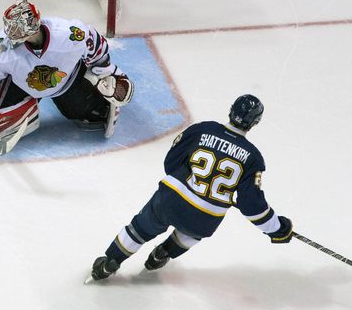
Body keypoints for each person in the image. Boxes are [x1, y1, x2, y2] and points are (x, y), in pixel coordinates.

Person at [88, 94, 292, 281]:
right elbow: (252, 205)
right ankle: (164, 253)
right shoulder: (253, 158)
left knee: (141, 229)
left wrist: (185, 180)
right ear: (255, 122)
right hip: (206, 218)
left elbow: (171, 163)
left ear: (231, 110)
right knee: (194, 230)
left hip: (170, 200)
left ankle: (109, 263)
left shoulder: (202, 129)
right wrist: (276, 229)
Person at [0, 0, 134, 159]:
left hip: (67, 81)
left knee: (90, 114)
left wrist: (104, 74)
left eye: (18, 33)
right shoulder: (2, 48)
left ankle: (95, 100)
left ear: (34, 28)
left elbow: (97, 47)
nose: (12, 38)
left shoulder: (68, 33)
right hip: (19, 84)